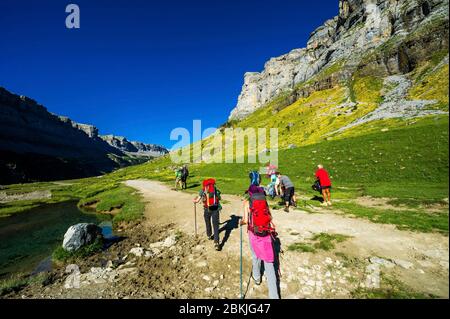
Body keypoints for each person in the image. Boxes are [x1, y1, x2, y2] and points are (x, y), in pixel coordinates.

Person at [241, 185, 280, 299]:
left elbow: (245, 220)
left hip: (254, 234)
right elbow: (270, 218)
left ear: (250, 193)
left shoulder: (247, 203)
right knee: (269, 264)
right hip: (266, 234)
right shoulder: (264, 202)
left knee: (255, 256)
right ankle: (274, 296)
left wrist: (241, 222)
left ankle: (257, 278)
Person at [193, 178, 222, 251]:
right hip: (215, 209)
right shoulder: (215, 189)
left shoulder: (203, 190)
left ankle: (209, 235)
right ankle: (216, 243)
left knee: (208, 222)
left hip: (207, 209)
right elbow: (219, 198)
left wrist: (195, 200)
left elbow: (197, 200)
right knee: (216, 226)